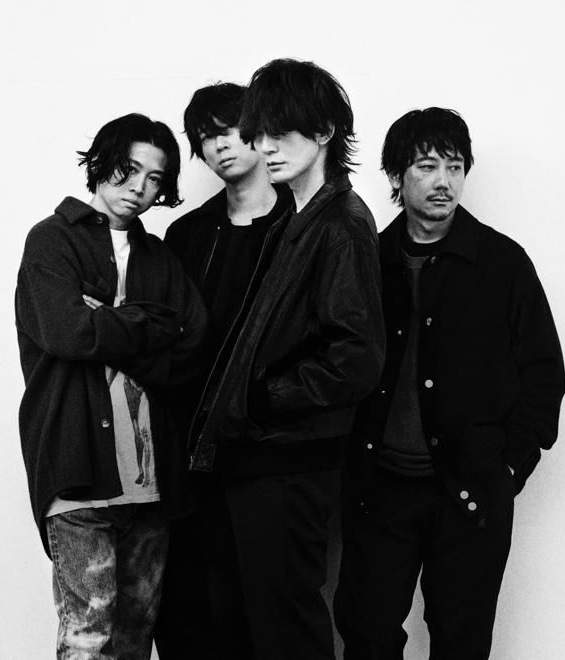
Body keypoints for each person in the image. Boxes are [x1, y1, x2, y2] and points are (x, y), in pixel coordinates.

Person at [334, 107, 565, 659]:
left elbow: (543, 372)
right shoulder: (367, 259)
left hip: (471, 490)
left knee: (461, 642)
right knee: (367, 633)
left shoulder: (502, 263)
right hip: (379, 489)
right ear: (396, 175)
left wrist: (509, 465)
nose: (444, 181)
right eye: (427, 166)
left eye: (455, 166)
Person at [182, 58, 385, 660]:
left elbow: (357, 357)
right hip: (261, 456)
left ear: (324, 131)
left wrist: (264, 398)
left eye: (280, 133)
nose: (264, 147)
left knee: (285, 629)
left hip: (290, 460)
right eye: (259, 134)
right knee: (251, 624)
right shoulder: (297, 219)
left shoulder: (340, 224)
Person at [15, 113, 206, 660]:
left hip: (150, 479)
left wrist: (111, 318)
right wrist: (152, 322)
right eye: (129, 169)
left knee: (134, 636)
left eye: (154, 178)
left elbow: (194, 340)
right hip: (77, 471)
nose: (139, 187)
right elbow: (68, 332)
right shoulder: (52, 240)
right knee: (87, 635)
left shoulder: (158, 255)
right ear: (102, 162)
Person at [154, 81, 293, 660]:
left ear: (259, 131)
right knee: (192, 603)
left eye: (230, 129)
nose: (219, 145)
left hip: (273, 451)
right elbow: (168, 334)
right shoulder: (187, 234)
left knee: (270, 607)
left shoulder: (302, 225)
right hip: (195, 448)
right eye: (205, 136)